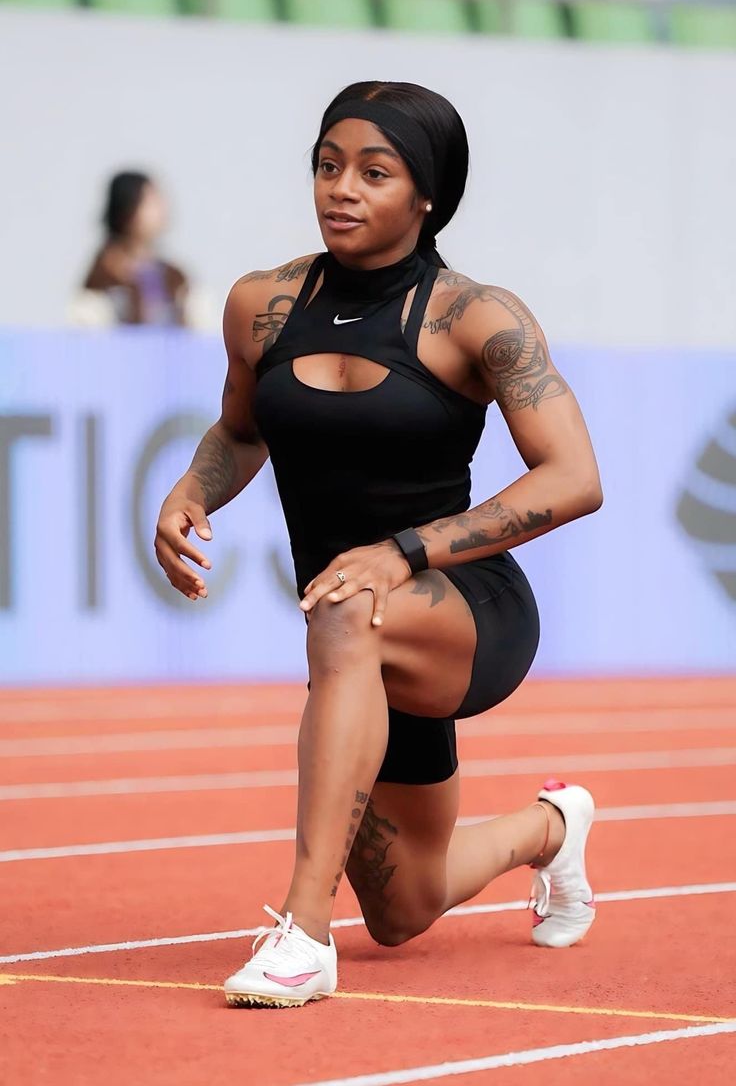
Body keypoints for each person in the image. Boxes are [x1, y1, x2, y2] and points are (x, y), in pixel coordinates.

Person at [154, 81, 603, 1008]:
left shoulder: (477, 317)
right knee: (405, 907)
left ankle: (302, 933)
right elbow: (241, 431)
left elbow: (573, 477)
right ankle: (552, 828)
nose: (341, 189)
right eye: (327, 166)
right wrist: (194, 490)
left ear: (427, 193)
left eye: (374, 171)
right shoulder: (262, 303)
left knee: (348, 605)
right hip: (353, 634)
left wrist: (404, 551)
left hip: (460, 611)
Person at [69, 170, 211, 329]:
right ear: (128, 209)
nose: (162, 209)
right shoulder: (103, 279)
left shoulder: (174, 278)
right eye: (150, 201)